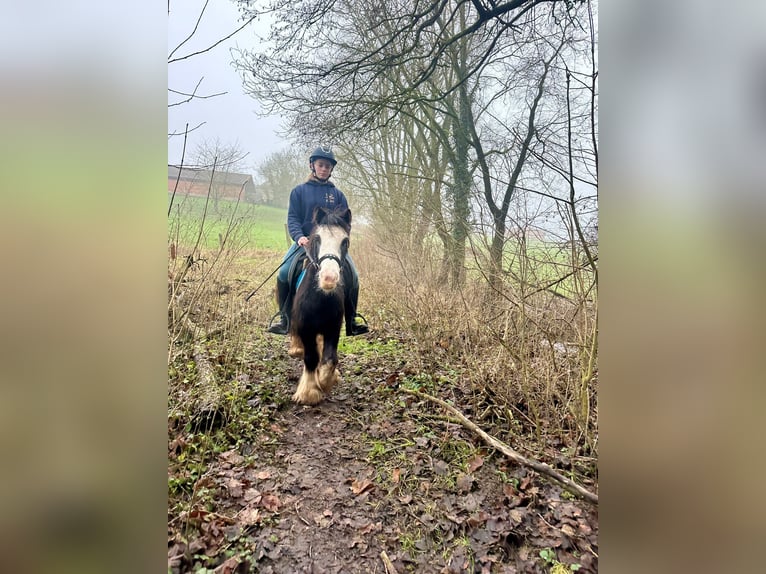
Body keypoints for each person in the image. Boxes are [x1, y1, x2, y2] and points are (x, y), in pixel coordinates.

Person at [267, 146, 369, 336]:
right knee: (284, 273)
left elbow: (345, 223)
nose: (324, 169)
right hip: (305, 243)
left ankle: (352, 321)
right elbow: (293, 218)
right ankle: (284, 319)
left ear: (331, 170)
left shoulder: (338, 195)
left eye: (328, 166)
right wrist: (299, 237)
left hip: (331, 247)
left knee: (353, 276)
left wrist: (340, 241)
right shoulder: (299, 191)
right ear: (312, 165)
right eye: (321, 165)